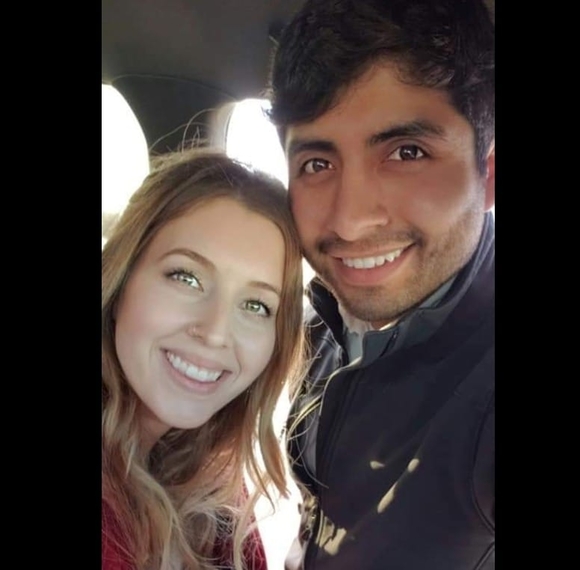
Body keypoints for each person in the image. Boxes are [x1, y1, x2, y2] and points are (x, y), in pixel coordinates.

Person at [267, 0, 495, 568]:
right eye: (317, 164)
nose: (349, 221)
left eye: (406, 152)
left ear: (488, 174)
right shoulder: (320, 323)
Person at [101, 147, 305, 570]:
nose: (214, 333)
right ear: (120, 281)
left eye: (256, 305)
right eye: (186, 278)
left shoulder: (215, 487)